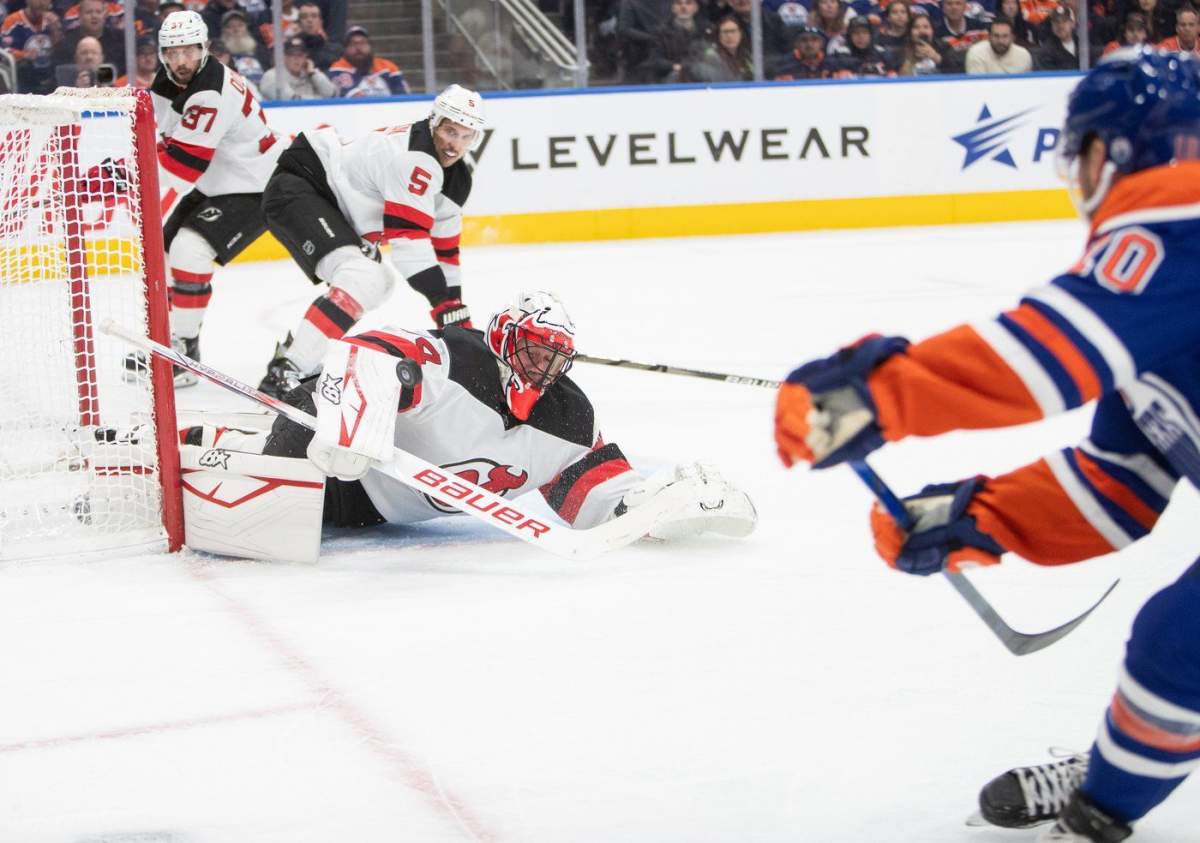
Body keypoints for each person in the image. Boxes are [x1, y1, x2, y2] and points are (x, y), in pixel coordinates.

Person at [773, 47, 1200, 842]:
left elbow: (1046, 354)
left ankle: (1105, 802)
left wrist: (866, 398)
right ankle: (1125, 766)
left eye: (1085, 155)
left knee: (1180, 645)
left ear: (1121, 151)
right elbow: (1118, 488)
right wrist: (982, 518)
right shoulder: (1159, 309)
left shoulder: (1181, 222)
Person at [185, 292, 757, 560]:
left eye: (557, 359)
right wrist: (357, 420)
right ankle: (194, 447)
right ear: (506, 340)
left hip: (370, 514)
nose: (547, 369)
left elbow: (594, 502)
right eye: (535, 352)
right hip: (324, 456)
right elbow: (369, 351)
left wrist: (652, 508)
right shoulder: (456, 360)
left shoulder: (569, 422)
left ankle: (225, 448)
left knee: (291, 515)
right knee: (282, 469)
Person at [256, 84, 483, 398]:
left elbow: (446, 250)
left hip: (332, 204)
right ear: (434, 122)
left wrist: (456, 310)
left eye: (465, 135)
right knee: (364, 276)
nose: (453, 145)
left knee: (380, 281)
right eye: (449, 131)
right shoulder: (416, 158)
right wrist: (443, 306)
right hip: (303, 187)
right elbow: (410, 245)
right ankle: (288, 370)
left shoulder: (457, 178)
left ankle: (300, 360)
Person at [124, 9, 283, 386]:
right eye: (172, 52)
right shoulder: (170, 77)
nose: (180, 61)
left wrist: (123, 172)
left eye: (189, 51)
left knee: (188, 251)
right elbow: (156, 135)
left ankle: (184, 351)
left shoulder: (211, 91)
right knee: (161, 254)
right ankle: (165, 343)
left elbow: (180, 170)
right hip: (218, 182)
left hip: (256, 186)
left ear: (205, 47)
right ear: (163, 53)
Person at [637, 0, 713, 83]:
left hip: (703, 78)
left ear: (695, 8)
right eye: (679, 3)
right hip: (670, 79)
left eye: (688, 3)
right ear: (673, 8)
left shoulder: (706, 31)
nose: (683, 7)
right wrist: (674, 66)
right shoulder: (660, 33)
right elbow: (655, 60)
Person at [327, 25, 408, 96]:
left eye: (363, 43)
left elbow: (403, 95)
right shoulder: (338, 68)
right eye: (353, 44)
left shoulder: (388, 67)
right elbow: (350, 96)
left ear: (370, 46)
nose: (358, 48)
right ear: (345, 49)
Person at [258, 33, 335, 98]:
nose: (296, 59)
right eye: (292, 54)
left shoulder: (311, 74)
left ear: (306, 57)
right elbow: (291, 100)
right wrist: (319, 100)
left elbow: (331, 94)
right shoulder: (272, 76)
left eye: (300, 55)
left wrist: (314, 74)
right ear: (284, 57)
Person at [827, 15, 900, 73]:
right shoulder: (840, 52)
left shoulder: (882, 52)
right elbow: (828, 64)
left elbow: (895, 66)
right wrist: (861, 65)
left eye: (865, 33)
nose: (861, 37)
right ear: (850, 36)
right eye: (856, 33)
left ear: (871, 35)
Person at [965, 14, 1033, 70]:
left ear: (1012, 38)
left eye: (1005, 36)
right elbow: (978, 85)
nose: (1000, 41)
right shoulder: (976, 53)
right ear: (989, 37)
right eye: (996, 36)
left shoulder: (1024, 56)